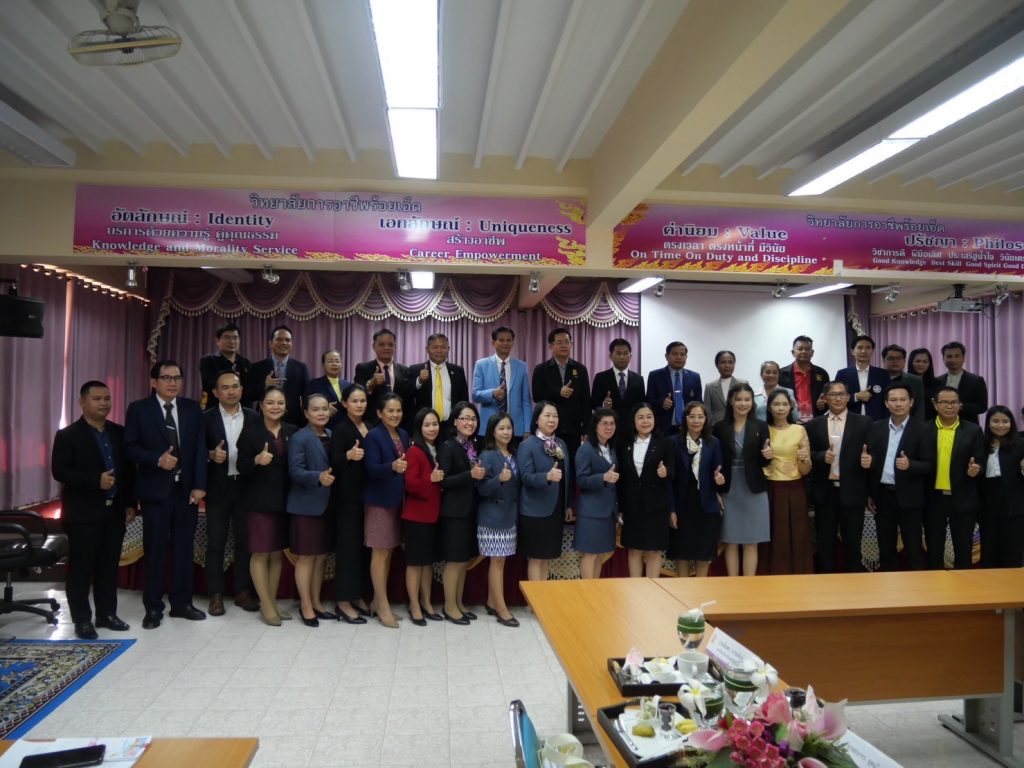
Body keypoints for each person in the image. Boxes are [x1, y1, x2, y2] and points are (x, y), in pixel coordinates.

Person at [125, 360, 207, 629]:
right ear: (153, 382)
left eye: (177, 377)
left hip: (186, 491)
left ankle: (182, 604)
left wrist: (199, 485)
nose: (173, 383)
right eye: (166, 378)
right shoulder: (139, 409)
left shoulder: (192, 408)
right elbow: (130, 448)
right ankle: (153, 608)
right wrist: (156, 459)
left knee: (184, 550)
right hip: (155, 491)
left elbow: (199, 449)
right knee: (155, 551)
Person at [51, 381, 136, 639]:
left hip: (114, 512)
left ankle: (106, 614)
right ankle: (82, 620)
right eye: (97, 398)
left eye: (107, 398)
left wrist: (130, 503)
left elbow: (129, 471)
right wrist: (94, 481)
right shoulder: (68, 435)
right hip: (83, 514)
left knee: (108, 566)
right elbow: (60, 471)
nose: (103, 403)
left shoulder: (119, 432)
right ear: (82, 402)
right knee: (81, 567)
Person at [236, 385, 297, 625]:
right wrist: (256, 460)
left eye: (280, 403)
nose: (275, 407)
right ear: (261, 405)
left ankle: (271, 602)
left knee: (276, 552)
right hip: (258, 501)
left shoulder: (292, 431)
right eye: (270, 402)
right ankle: (266, 606)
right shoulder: (250, 432)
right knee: (261, 552)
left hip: (284, 501)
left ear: (286, 406)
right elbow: (241, 466)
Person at [201, 371, 260, 616]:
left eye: (235, 386)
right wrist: (209, 454)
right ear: (216, 392)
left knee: (245, 542)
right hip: (218, 486)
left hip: (246, 486)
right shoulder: (205, 418)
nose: (231, 391)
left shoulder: (254, 417)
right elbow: (195, 450)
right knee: (216, 542)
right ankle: (215, 595)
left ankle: (243, 591)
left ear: (242, 390)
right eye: (225, 387)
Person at [805, 381, 873, 573]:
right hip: (825, 492)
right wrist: (821, 456)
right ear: (825, 398)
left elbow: (873, 452)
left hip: (853, 491)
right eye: (833, 395)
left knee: (853, 543)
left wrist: (870, 460)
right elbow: (807, 454)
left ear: (848, 397)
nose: (837, 398)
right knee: (825, 544)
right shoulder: (813, 425)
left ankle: (853, 583)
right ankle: (827, 582)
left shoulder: (864, 422)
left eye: (841, 394)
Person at [866, 383, 931, 572]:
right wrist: (869, 463)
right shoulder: (876, 427)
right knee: (886, 548)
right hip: (882, 496)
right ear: (886, 403)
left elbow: (929, 465)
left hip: (910, 498)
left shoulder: (923, 429)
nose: (898, 404)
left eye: (903, 399)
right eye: (893, 400)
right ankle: (889, 587)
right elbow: (872, 462)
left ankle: (916, 586)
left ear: (911, 402)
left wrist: (911, 465)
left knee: (913, 548)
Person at [286, 393, 336, 627]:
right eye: (315, 409)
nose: (321, 413)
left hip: (328, 505)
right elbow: (295, 471)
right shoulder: (299, 437)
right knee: (306, 557)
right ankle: (305, 605)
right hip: (306, 506)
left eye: (324, 408)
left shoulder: (332, 435)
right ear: (306, 413)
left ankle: (316, 602)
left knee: (321, 556)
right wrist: (318, 477)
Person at [924, 386, 985, 570]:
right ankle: (934, 585)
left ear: (960, 405)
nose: (949, 406)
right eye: (944, 402)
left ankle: (963, 585)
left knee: (964, 551)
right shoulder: (923, 428)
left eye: (954, 402)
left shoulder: (973, 430)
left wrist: (977, 469)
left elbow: (981, 461)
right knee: (933, 550)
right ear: (935, 405)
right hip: (933, 499)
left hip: (963, 498)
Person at [714, 383, 771, 577]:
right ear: (731, 401)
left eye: (747, 399)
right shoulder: (720, 427)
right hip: (729, 488)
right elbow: (715, 460)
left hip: (754, 489)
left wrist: (768, 455)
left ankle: (749, 585)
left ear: (752, 402)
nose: (743, 403)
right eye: (738, 399)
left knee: (751, 542)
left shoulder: (761, 426)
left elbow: (764, 461)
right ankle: (733, 584)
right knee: (731, 541)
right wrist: (716, 486)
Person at [363, 392, 410, 627]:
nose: (395, 414)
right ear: (380, 413)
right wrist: (392, 466)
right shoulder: (373, 436)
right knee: (380, 553)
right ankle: (382, 606)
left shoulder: (404, 434)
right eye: (390, 411)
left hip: (397, 501)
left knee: (389, 551)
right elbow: (370, 469)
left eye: (398, 410)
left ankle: (376, 601)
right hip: (379, 503)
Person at [327, 383, 373, 624]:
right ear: (344, 403)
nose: (359, 404)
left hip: (368, 496)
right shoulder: (340, 428)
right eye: (354, 401)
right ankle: (343, 601)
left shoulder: (370, 426)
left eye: (362, 400)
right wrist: (348, 455)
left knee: (363, 550)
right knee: (348, 550)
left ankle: (357, 595)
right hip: (347, 499)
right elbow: (333, 461)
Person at [532, 328, 590, 512]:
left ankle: (569, 507)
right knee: (548, 466)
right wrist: (558, 392)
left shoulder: (580, 369)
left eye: (567, 341)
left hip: (572, 429)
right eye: (559, 342)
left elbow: (586, 401)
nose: (564, 345)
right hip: (548, 429)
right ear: (551, 346)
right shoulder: (541, 369)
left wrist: (586, 430)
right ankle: (551, 505)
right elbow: (536, 395)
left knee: (570, 468)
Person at [438, 402, 485, 624]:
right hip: (454, 512)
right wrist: (470, 475)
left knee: (464, 560)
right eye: (465, 418)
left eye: (473, 419)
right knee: (455, 560)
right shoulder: (448, 446)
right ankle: (449, 606)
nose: (470, 422)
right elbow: (442, 481)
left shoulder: (472, 446)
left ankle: (458, 603)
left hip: (470, 510)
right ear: (455, 421)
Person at [618, 402, 675, 578]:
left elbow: (673, 472)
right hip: (632, 506)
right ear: (633, 420)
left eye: (649, 417)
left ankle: (652, 590)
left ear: (655, 420)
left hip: (656, 506)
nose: (645, 421)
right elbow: (622, 478)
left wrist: (665, 472)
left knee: (654, 551)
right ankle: (635, 589)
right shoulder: (624, 443)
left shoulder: (665, 443)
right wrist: (620, 507)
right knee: (634, 550)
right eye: (641, 417)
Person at [668, 401, 725, 578]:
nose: (696, 420)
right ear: (685, 419)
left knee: (703, 553)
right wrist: (671, 509)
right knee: (682, 553)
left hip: (706, 506)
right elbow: (669, 481)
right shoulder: (673, 442)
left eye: (700, 416)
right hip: (682, 505)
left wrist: (719, 480)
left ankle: (701, 590)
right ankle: (682, 592)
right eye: (692, 416)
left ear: (706, 419)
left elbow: (719, 472)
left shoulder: (713, 443)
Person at [518, 401, 570, 582]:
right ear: (536, 419)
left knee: (547, 557)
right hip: (535, 511)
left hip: (555, 509)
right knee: (536, 558)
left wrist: (568, 504)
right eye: (547, 415)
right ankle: (534, 597)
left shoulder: (561, 443)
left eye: (555, 416)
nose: (552, 419)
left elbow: (567, 477)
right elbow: (526, 477)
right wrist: (546, 476)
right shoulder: (527, 445)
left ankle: (543, 595)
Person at [401, 407, 444, 626]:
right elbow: (411, 484)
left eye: (435, 424)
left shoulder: (436, 448)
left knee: (428, 563)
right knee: (415, 563)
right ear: (419, 428)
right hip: (416, 517)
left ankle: (426, 602)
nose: (432, 428)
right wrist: (431, 479)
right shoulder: (414, 451)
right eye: (427, 425)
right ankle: (414, 605)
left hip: (433, 515)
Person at [762, 389, 813, 574]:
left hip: (795, 487)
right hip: (770, 488)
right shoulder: (762, 429)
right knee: (774, 534)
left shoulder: (799, 430)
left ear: (791, 407)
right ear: (769, 407)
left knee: (797, 534)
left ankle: (798, 574)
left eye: (785, 404)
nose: (781, 408)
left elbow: (806, 470)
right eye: (776, 404)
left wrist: (803, 458)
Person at [477, 413, 521, 626]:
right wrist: (498, 480)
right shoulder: (487, 455)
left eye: (509, 428)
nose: (506, 432)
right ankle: (501, 609)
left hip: (509, 516)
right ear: (492, 432)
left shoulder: (513, 453)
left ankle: (491, 601)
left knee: (501, 561)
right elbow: (481, 489)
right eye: (501, 428)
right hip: (492, 517)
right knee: (497, 562)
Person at [574, 409, 620, 580]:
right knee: (590, 555)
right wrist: (603, 478)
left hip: (608, 511)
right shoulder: (586, 449)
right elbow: (581, 480)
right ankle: (586, 593)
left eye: (612, 423)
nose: (609, 427)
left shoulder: (611, 448)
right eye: (604, 423)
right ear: (595, 426)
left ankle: (594, 591)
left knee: (600, 554)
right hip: (591, 512)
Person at [400, 333, 469, 438]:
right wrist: (419, 380)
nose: (439, 351)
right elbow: (405, 394)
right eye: (435, 347)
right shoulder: (415, 369)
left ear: (448, 349)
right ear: (427, 349)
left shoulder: (458, 371)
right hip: (425, 426)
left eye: (443, 347)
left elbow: (464, 400)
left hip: (451, 427)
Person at [979, 405, 1024, 568]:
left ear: (1012, 423)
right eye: (995, 421)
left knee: (1012, 551)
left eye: (1005, 421)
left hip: (1014, 505)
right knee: (989, 551)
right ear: (988, 423)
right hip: (987, 502)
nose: (1000, 425)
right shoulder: (981, 445)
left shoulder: (1020, 445)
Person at [472, 326, 532, 439]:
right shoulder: (481, 365)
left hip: (515, 428)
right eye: (501, 340)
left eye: (509, 340)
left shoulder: (522, 367)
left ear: (513, 343)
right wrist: (492, 393)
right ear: (493, 343)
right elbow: (475, 395)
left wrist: (527, 429)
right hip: (489, 427)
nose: (505, 343)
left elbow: (526, 401)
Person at [246, 325, 310, 426]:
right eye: (279, 339)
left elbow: (307, 396)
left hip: (293, 422)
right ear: (270, 343)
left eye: (287, 340)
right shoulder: (257, 367)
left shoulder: (301, 368)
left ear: (291, 344)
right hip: (264, 421)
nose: (284, 343)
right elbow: (247, 396)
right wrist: (265, 386)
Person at [646, 341, 702, 436]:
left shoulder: (694, 377)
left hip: (688, 428)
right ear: (666, 356)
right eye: (675, 354)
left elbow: (699, 403)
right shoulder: (655, 376)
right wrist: (661, 402)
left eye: (682, 354)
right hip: (663, 429)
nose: (679, 357)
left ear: (686, 357)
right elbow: (648, 401)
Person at [354, 328, 408, 424]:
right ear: (374, 346)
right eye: (382, 344)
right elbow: (357, 394)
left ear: (395, 346)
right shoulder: (363, 368)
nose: (386, 348)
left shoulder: (405, 370)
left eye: (390, 344)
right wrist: (371, 384)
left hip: (399, 423)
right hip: (372, 423)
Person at [590, 338, 645, 426]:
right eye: (618, 353)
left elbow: (641, 405)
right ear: (610, 356)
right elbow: (594, 403)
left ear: (630, 356)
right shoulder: (600, 377)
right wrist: (604, 405)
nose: (622, 357)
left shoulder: (638, 379)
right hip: (609, 426)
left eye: (625, 353)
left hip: (631, 427)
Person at [834, 335, 889, 420]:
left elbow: (887, 400)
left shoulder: (883, 374)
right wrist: (856, 396)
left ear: (872, 351)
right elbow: (836, 398)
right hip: (850, 421)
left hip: (876, 422)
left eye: (868, 348)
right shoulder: (842, 374)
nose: (863, 351)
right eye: (860, 348)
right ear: (852, 351)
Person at [199, 323, 251, 411]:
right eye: (227, 337)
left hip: (243, 410)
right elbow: (210, 385)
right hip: (215, 409)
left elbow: (249, 389)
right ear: (217, 340)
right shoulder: (208, 361)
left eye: (235, 338)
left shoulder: (246, 363)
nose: (232, 341)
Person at [777, 335, 829, 422]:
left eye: (807, 349)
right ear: (793, 352)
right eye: (800, 349)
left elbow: (828, 397)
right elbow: (775, 398)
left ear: (812, 352)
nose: (804, 351)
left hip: (816, 421)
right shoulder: (782, 374)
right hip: (789, 421)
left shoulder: (822, 373)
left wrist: (825, 404)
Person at [936, 341, 988, 424]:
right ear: (943, 359)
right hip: (942, 424)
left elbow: (982, 407)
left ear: (963, 358)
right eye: (949, 356)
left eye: (957, 356)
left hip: (968, 426)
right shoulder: (937, 381)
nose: (953, 360)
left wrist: (959, 406)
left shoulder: (977, 380)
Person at [880, 344, 926, 421]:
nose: (895, 361)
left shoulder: (915, 381)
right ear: (883, 361)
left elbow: (919, 407)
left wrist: (918, 425)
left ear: (904, 361)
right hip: (880, 423)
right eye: (891, 358)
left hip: (907, 424)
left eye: (899, 358)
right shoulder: (877, 378)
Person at [305, 350, 349, 429]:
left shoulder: (348, 385)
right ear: (323, 365)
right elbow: (307, 405)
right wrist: (324, 408)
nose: (334, 364)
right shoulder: (314, 384)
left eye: (337, 361)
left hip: (345, 427)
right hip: (324, 427)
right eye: (330, 361)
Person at [703, 350, 746, 426]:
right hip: (716, 428)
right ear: (717, 365)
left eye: (730, 362)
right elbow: (707, 412)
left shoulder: (743, 384)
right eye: (723, 362)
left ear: (734, 364)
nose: (727, 366)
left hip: (739, 426)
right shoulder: (710, 387)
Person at [909, 348, 938, 421]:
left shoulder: (938, 384)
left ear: (929, 364)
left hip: (931, 423)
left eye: (925, 362)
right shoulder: (903, 381)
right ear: (911, 362)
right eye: (918, 361)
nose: (921, 364)